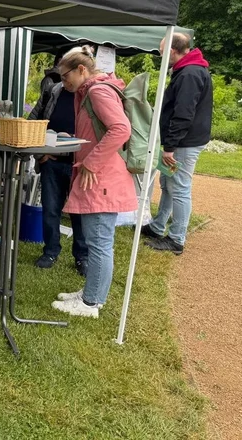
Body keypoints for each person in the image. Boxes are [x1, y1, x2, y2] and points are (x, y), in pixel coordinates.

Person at [50, 46, 136, 319]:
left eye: (65, 77)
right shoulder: (92, 91)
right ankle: (92, 293)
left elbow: (121, 129)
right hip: (100, 177)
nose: (64, 83)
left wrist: (91, 162)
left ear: (81, 70)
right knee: (96, 239)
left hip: (101, 178)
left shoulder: (97, 91)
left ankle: (90, 303)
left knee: (98, 242)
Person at [142, 33, 213, 255]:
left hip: (184, 142)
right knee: (168, 183)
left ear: (172, 51)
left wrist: (170, 147)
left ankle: (176, 238)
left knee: (180, 187)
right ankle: (157, 226)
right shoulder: (189, 69)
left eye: (162, 52)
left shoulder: (189, 73)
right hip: (183, 140)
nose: (161, 56)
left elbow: (183, 114)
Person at [28, 79, 88, 275]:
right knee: (51, 209)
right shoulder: (53, 91)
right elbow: (32, 123)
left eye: (66, 74)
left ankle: (82, 257)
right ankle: (50, 252)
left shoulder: (91, 93)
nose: (64, 78)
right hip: (52, 162)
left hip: (79, 164)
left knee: (80, 213)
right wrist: (41, 155)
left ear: (80, 70)